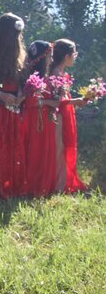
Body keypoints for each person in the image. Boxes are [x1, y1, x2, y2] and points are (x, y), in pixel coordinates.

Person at [0, 12, 28, 199]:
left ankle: (13, 182)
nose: (16, 38)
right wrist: (0, 94)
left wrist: (21, 94)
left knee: (14, 144)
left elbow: (20, 79)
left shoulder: (19, 53)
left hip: (14, 107)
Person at [50, 39, 87, 193]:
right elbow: (56, 100)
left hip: (65, 112)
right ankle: (58, 185)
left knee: (64, 146)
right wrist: (75, 101)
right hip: (58, 116)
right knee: (59, 147)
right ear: (66, 56)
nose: (74, 57)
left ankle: (63, 182)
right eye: (74, 54)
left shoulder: (61, 73)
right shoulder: (55, 74)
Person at [22, 41, 58, 197]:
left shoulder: (49, 79)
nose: (51, 60)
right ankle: (34, 186)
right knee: (35, 150)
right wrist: (48, 102)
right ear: (42, 58)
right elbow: (30, 101)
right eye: (49, 56)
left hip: (45, 120)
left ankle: (44, 185)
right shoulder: (31, 79)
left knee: (45, 150)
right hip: (34, 120)